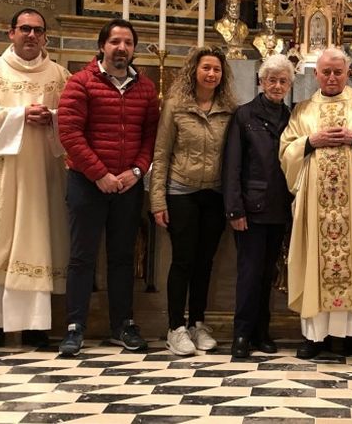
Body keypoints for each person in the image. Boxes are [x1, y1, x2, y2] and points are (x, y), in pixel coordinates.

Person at [0, 9, 71, 350]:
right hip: (0, 173)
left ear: (45, 37)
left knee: (39, 239)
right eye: (24, 29)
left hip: (44, 175)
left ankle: (37, 327)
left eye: (38, 30)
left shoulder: (59, 75)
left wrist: (51, 117)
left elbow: (72, 119)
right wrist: (20, 114)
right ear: (10, 33)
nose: (31, 35)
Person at [280, 47, 352, 359]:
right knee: (315, 259)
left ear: (348, 73)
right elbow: (285, 148)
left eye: (338, 72)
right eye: (326, 72)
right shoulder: (302, 110)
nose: (331, 77)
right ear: (315, 74)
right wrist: (308, 142)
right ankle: (315, 338)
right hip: (315, 205)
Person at [57, 19, 159, 356]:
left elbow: (150, 136)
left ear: (134, 49)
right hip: (87, 182)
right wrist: (99, 173)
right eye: (115, 41)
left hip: (127, 185)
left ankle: (123, 325)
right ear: (102, 45)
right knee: (82, 257)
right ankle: (75, 326)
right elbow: (70, 133)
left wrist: (136, 170)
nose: (122, 48)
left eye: (128, 43)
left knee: (122, 258)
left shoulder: (145, 88)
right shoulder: (80, 82)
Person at [151, 46, 236, 356]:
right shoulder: (176, 106)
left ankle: (198, 323)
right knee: (183, 260)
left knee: (205, 262)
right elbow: (161, 153)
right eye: (206, 68)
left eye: (216, 69)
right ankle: (176, 327)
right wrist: (158, 200)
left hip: (213, 193)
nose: (211, 73)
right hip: (181, 190)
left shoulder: (229, 109)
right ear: (195, 71)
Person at [222, 54, 294, 358]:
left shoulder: (293, 116)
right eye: (271, 80)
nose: (277, 85)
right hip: (251, 208)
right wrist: (235, 209)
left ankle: (262, 332)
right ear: (260, 82)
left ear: (290, 85)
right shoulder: (244, 115)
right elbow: (232, 165)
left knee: (268, 273)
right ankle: (242, 334)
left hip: (280, 207)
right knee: (249, 273)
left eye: (283, 81)